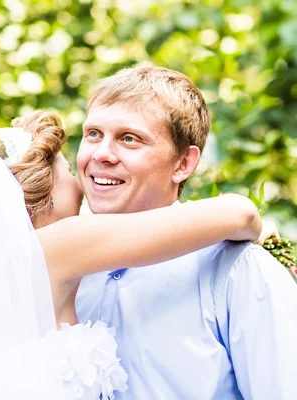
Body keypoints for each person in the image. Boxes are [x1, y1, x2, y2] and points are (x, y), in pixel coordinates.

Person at [0, 110, 267, 400]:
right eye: (68, 170)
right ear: (47, 189)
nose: (82, 179)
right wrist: (260, 231)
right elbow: (238, 212)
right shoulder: (58, 247)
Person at [75, 65, 297, 399]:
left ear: (183, 164)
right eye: (93, 134)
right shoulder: (63, 273)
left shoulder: (239, 270)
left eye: (129, 138)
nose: (101, 154)